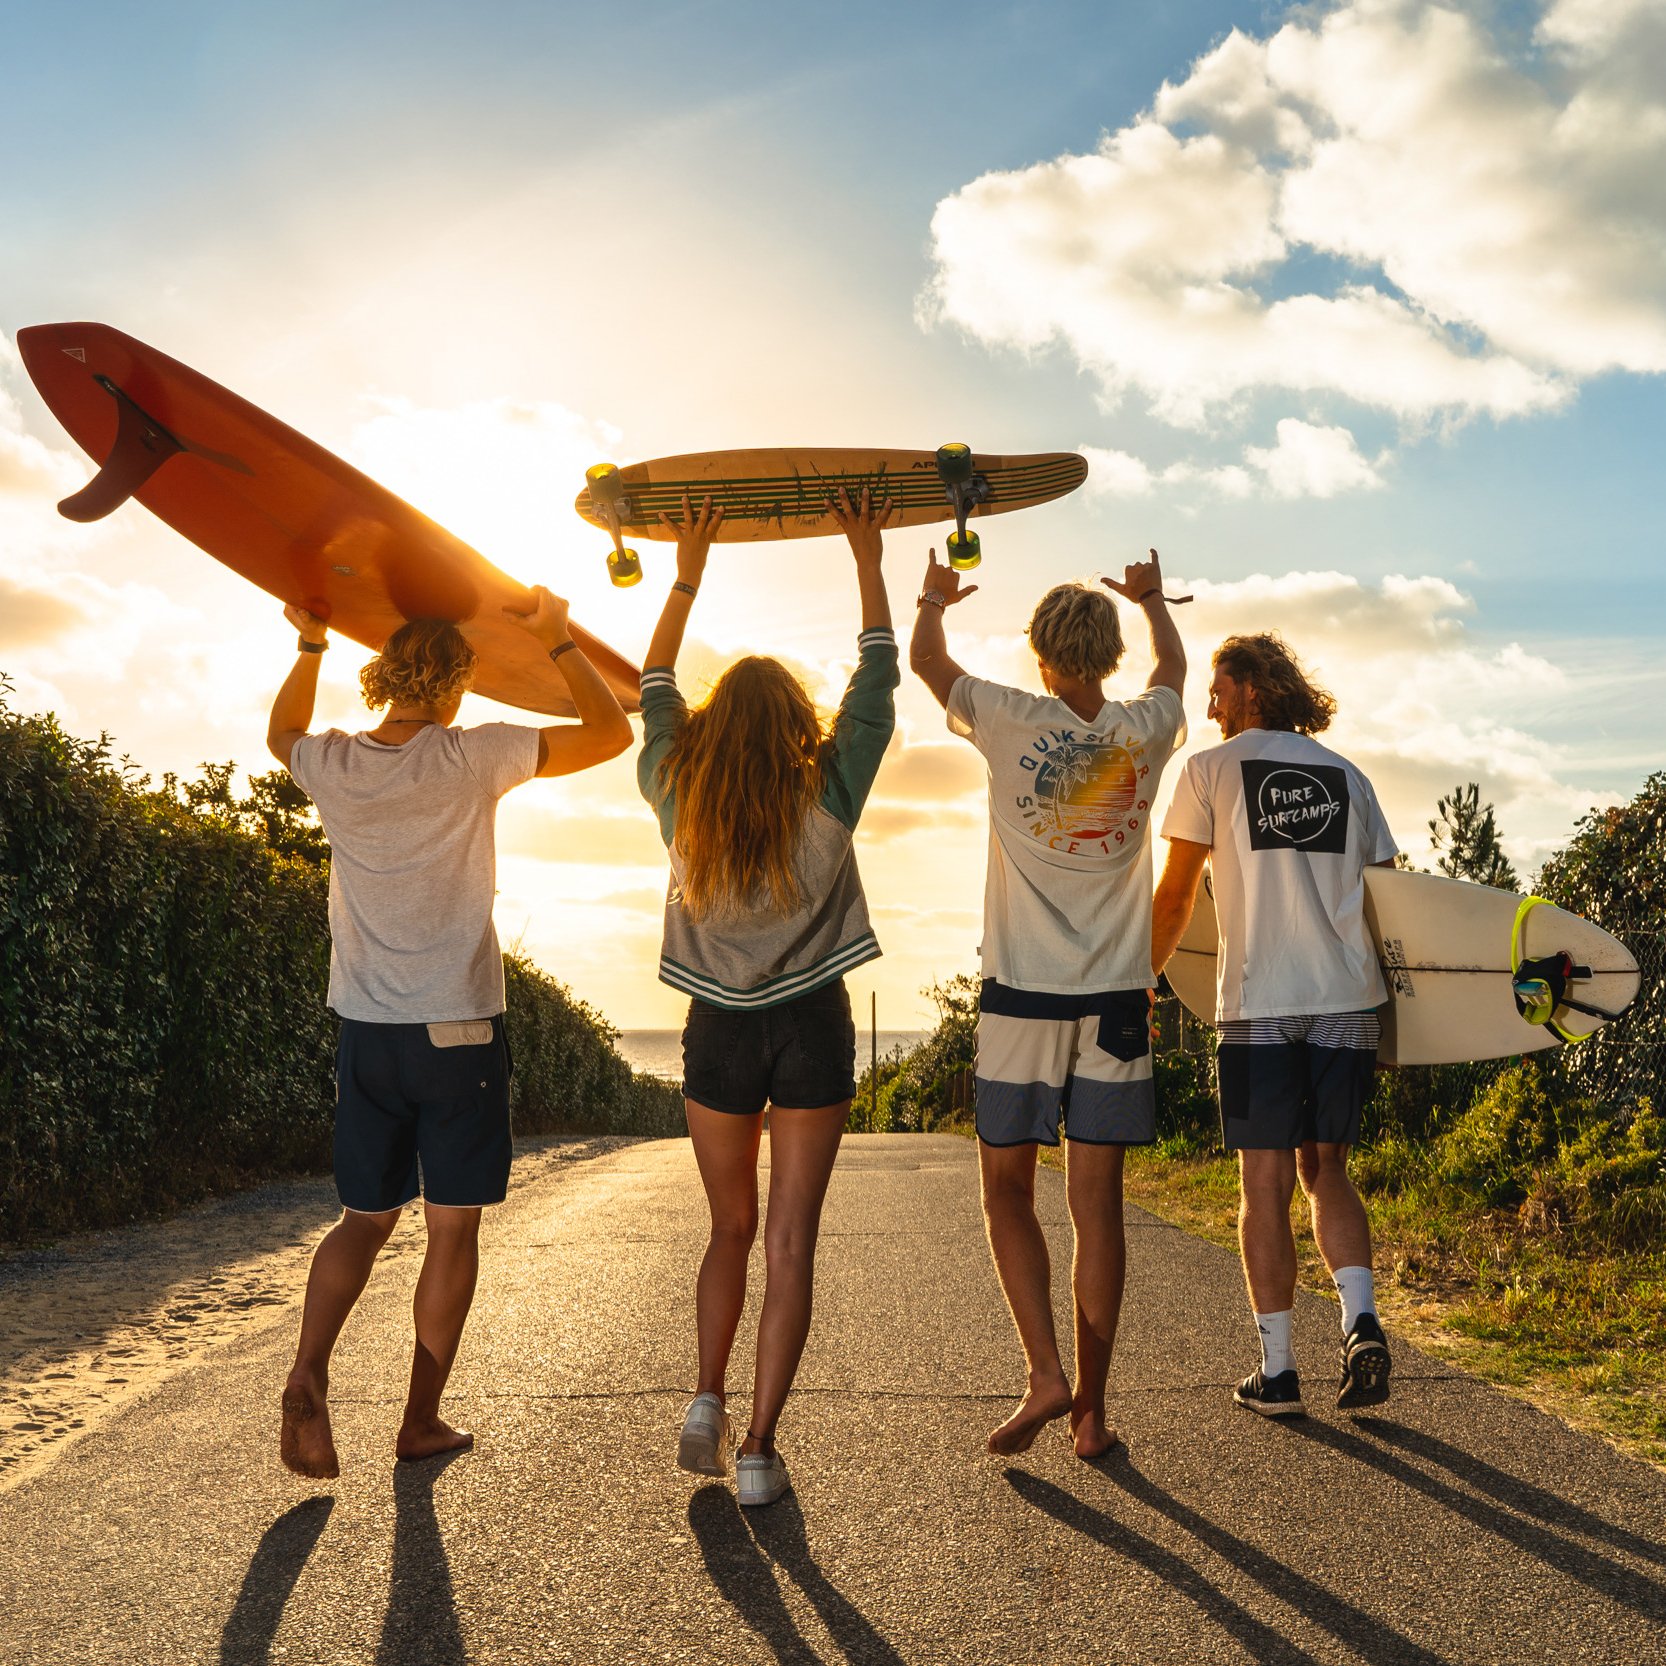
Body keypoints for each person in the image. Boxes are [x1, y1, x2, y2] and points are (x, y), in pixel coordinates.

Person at [268, 590, 631, 1477]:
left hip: (367, 1032)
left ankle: (309, 1371)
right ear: (458, 686)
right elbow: (613, 733)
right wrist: (557, 640)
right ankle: (419, 1419)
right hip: (458, 1031)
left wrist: (312, 644)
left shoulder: (336, 764)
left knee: (364, 1216)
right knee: (451, 1231)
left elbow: (281, 735)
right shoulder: (477, 756)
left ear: (385, 676)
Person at [639, 489, 898, 1508]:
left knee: (729, 1230)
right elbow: (874, 679)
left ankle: (704, 1394)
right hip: (810, 1027)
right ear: (795, 722)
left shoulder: (674, 785)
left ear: (710, 728)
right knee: (791, 1237)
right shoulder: (831, 786)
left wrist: (686, 570)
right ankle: (755, 1450)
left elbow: (654, 682)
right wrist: (863, 550)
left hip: (715, 1029)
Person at [910, 546, 1186, 1458]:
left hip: (1022, 996)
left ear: (1039, 653)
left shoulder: (1007, 715)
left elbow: (924, 662)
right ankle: (1094, 1413)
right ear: (1107, 653)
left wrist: (934, 596)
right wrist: (1150, 598)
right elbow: (1175, 671)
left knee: (1006, 1188)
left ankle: (1044, 1373)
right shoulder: (1145, 727)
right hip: (1115, 998)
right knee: (1096, 1204)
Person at [1150, 632, 1397, 1417]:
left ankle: (1280, 1372)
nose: (1210, 703)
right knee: (1327, 1168)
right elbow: (1390, 906)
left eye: (1218, 687)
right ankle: (1360, 1322)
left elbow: (1177, 895)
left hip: (1258, 1005)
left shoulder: (1210, 771)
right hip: (1348, 997)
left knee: (1263, 1181)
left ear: (1253, 685)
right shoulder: (1348, 776)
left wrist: (1138, 980)